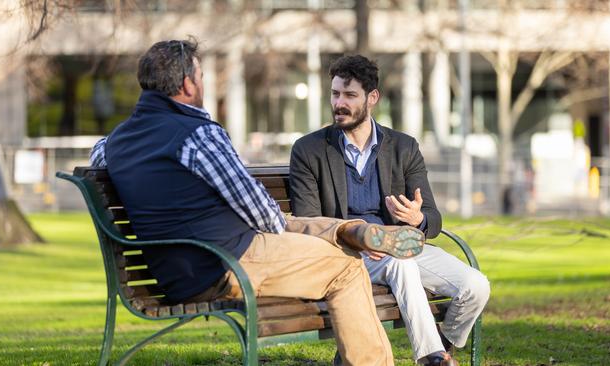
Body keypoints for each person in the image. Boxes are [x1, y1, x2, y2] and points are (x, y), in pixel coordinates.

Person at [88, 39, 429, 366]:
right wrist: (281, 230)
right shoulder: (198, 134)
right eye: (202, 76)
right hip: (228, 263)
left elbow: (98, 156)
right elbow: (262, 214)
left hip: (177, 272)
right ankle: (352, 238)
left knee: (299, 226)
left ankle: (352, 229)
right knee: (346, 265)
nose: (203, 84)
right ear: (188, 85)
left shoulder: (117, 141)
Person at [289, 55, 490, 366]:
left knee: (476, 286)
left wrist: (417, 218)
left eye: (350, 95)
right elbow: (309, 222)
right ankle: (431, 357)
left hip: (400, 247)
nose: (339, 103)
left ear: (372, 98)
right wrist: (362, 237)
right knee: (401, 263)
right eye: (335, 94)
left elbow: (433, 219)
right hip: (346, 253)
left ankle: (442, 343)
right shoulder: (310, 150)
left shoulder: (402, 147)